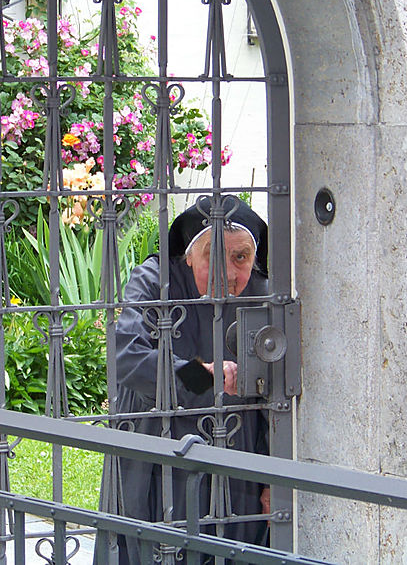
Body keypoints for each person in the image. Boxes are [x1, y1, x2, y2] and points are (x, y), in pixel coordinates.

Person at [111, 195, 270, 562]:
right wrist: (202, 377)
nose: (228, 272)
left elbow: (275, 395)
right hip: (161, 450)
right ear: (189, 255)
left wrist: (270, 478)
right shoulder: (154, 281)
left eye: (241, 257)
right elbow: (126, 356)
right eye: (214, 256)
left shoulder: (262, 293)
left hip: (238, 458)